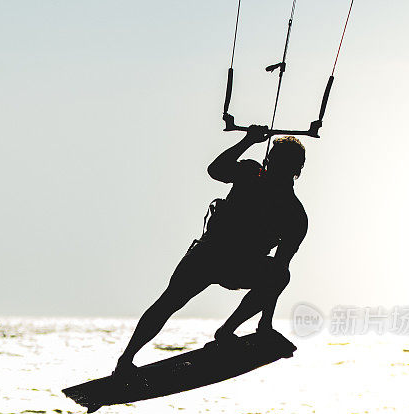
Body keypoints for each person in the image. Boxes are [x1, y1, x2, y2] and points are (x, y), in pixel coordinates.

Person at [114, 124, 308, 374]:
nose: (274, 169)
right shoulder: (250, 172)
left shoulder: (294, 215)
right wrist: (248, 141)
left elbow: (279, 270)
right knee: (168, 302)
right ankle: (125, 360)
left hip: (243, 267)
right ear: (268, 160)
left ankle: (227, 331)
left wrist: (265, 325)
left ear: (296, 170)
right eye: (273, 162)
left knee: (280, 275)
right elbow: (216, 170)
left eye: (282, 165)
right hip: (207, 256)